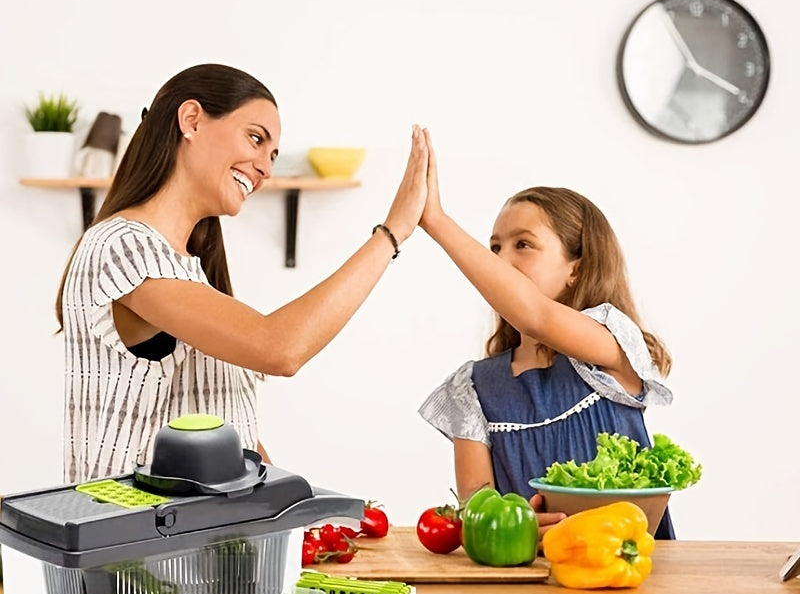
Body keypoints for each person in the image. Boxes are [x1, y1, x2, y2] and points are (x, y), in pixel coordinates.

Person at [56, 63, 428, 485]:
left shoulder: (188, 270)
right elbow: (281, 348)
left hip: (198, 542)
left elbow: (234, 434)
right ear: (191, 120)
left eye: (272, 155)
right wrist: (392, 233)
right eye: (255, 138)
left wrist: (291, 504)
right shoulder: (122, 246)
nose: (265, 168)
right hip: (133, 543)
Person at [417, 134, 675, 539]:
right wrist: (513, 528)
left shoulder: (610, 346)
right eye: (494, 247)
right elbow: (475, 513)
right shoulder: (473, 389)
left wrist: (436, 220)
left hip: (631, 578)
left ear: (576, 267)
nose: (500, 261)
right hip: (527, 585)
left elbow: (535, 315)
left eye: (523, 245)